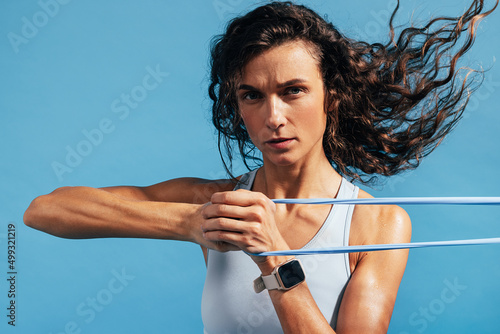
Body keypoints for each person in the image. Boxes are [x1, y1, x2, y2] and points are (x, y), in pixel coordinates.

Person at [24, 1, 496, 333]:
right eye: (253, 95)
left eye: (293, 90)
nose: (273, 117)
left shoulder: (377, 224)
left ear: (331, 96)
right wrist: (189, 223)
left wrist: (275, 258)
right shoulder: (214, 202)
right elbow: (45, 210)